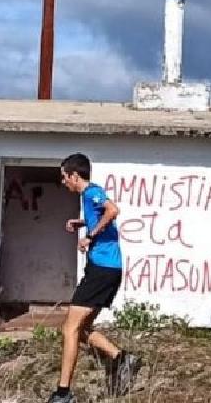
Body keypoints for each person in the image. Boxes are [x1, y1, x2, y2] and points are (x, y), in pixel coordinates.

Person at [50, 153, 142, 403]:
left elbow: (113, 210)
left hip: (102, 269)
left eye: (64, 177)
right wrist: (81, 222)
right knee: (80, 329)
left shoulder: (91, 192)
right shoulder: (88, 197)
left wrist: (90, 235)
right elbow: (102, 217)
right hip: (106, 269)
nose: (63, 182)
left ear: (74, 175)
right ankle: (122, 359)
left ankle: (63, 393)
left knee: (69, 328)